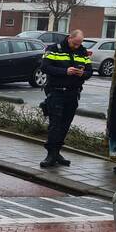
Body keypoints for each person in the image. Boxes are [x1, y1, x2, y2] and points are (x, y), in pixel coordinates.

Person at [39, 29, 92, 168]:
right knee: (55, 125)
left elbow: (90, 71)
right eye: (75, 43)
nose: (77, 46)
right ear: (69, 38)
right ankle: (50, 154)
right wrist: (65, 71)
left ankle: (57, 153)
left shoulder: (82, 51)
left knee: (65, 125)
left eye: (79, 44)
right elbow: (44, 67)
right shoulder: (54, 49)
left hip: (73, 93)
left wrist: (82, 73)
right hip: (57, 92)